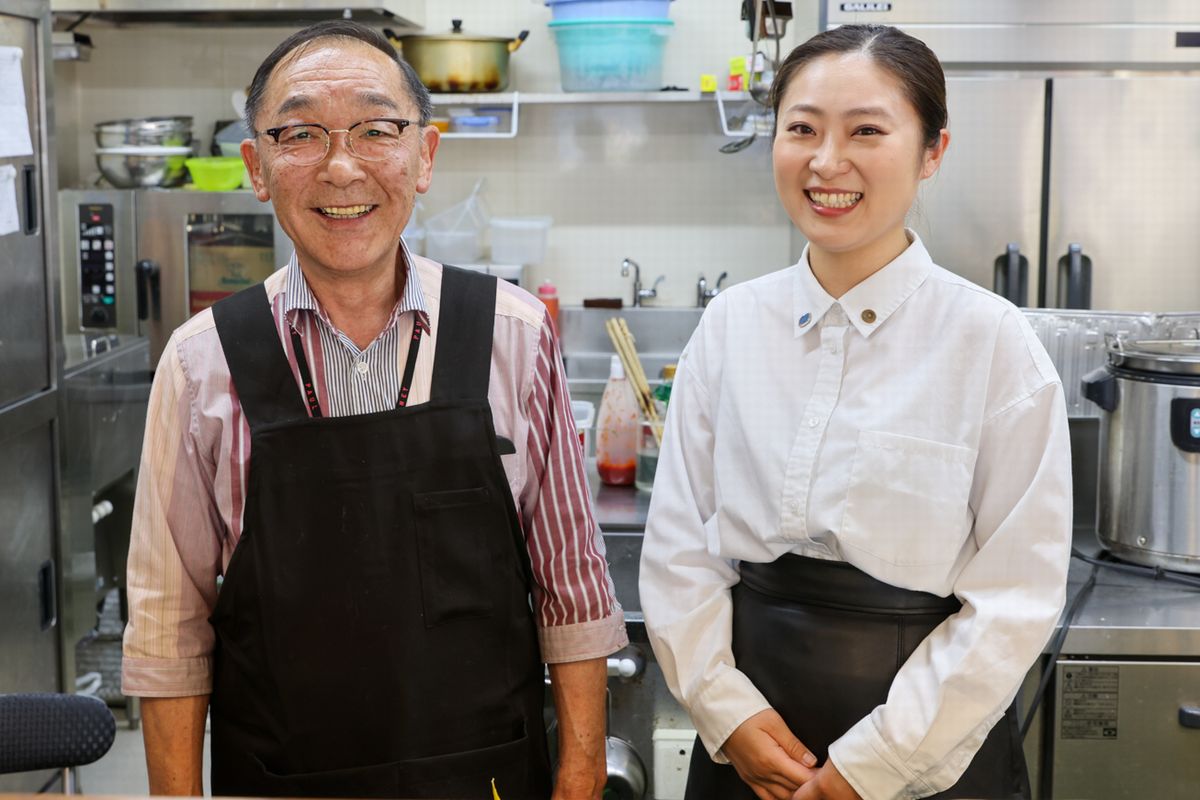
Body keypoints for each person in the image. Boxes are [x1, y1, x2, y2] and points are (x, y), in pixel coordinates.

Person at [121, 21, 626, 800]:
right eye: (300, 134)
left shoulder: (513, 335)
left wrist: (582, 774)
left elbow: (572, 583)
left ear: (424, 157)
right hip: (280, 778)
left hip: (483, 775)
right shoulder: (200, 363)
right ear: (257, 167)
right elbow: (166, 625)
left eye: (376, 129)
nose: (342, 166)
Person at [640, 24, 1072, 800]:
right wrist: (726, 712)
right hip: (752, 739)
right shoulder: (731, 327)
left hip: (927, 751)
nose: (826, 162)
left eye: (866, 131)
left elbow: (1014, 598)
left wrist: (869, 767)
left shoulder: (994, 346)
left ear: (932, 152)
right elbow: (679, 547)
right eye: (801, 129)